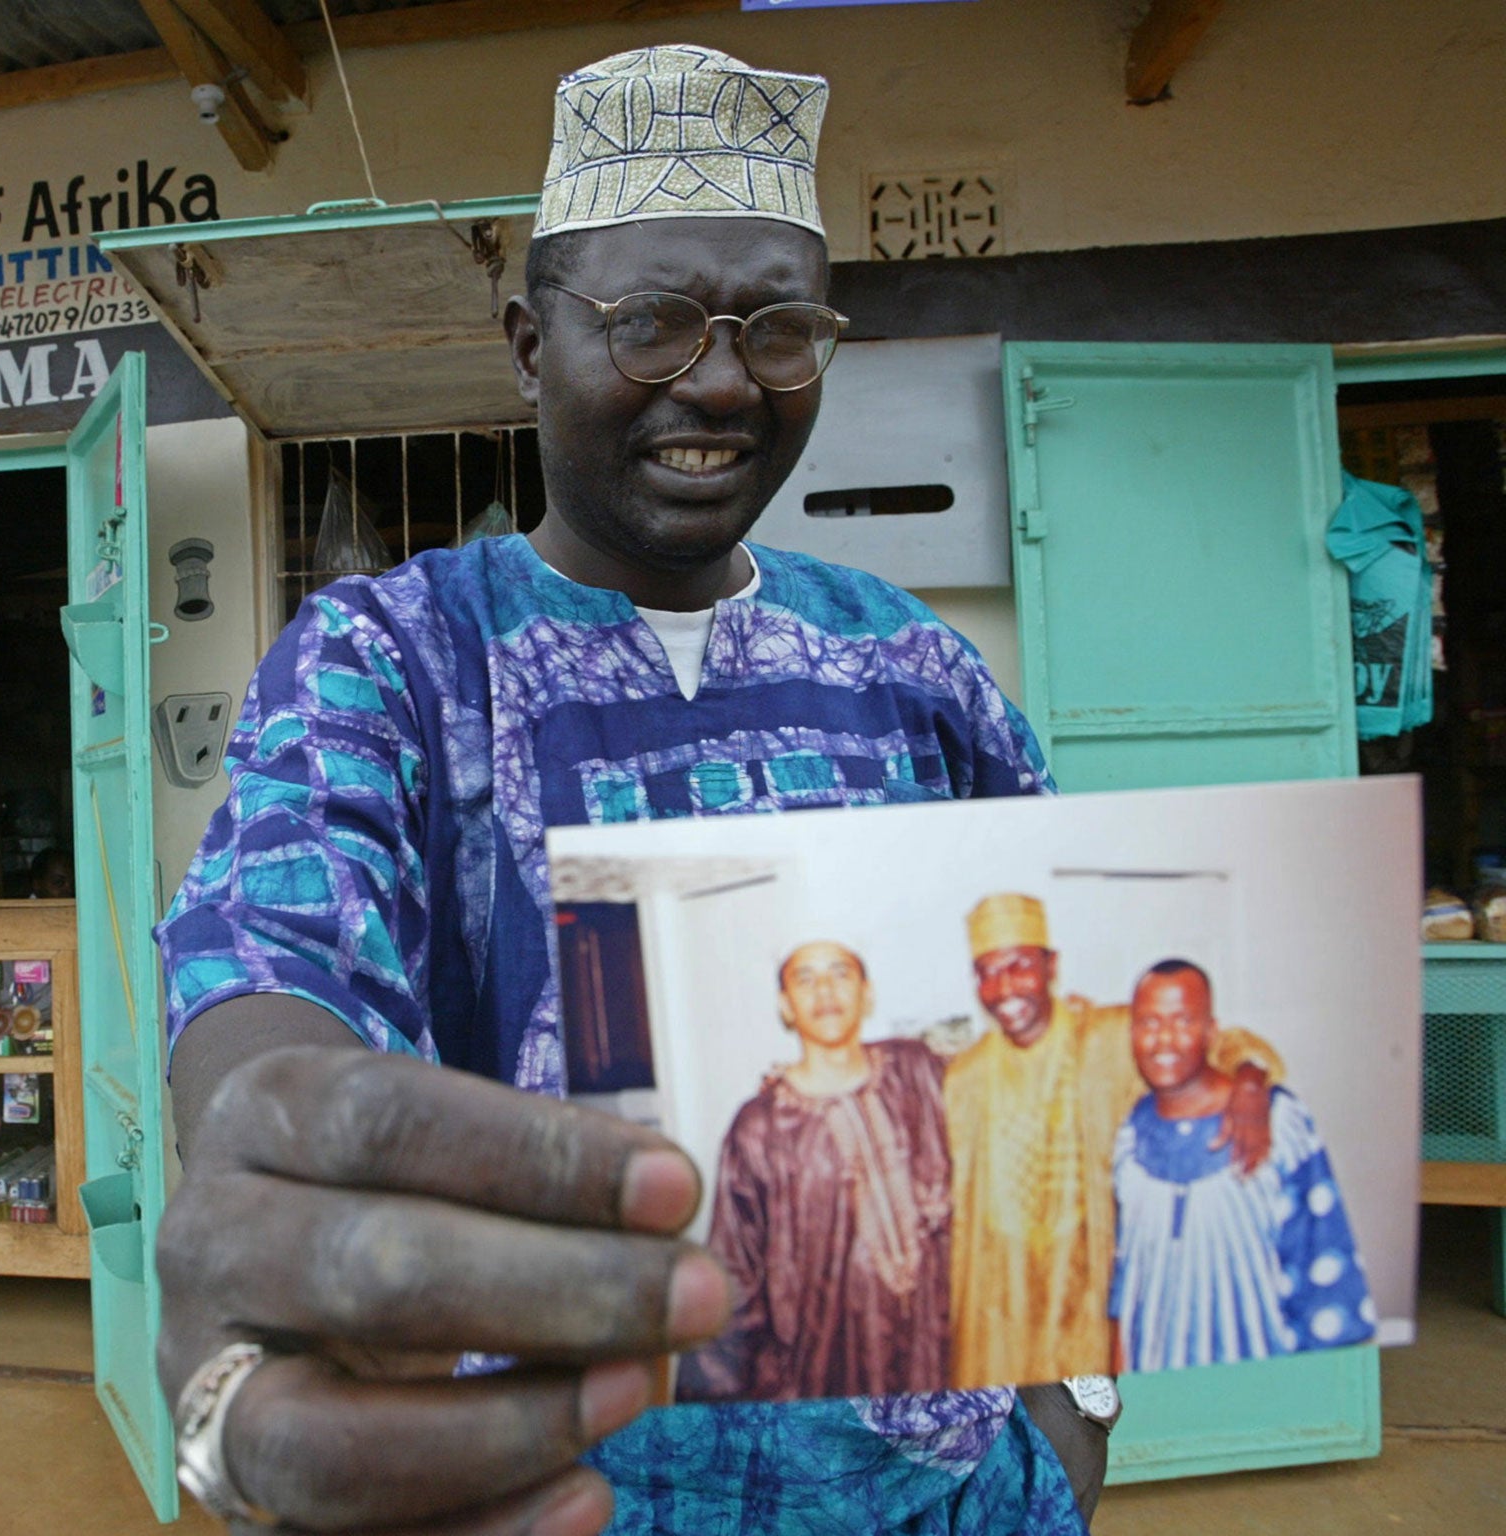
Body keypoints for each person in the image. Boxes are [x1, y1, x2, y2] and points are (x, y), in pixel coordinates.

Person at [154, 45, 1090, 1536]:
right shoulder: (393, 659)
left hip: (946, 1492)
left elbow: (1056, 1018)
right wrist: (268, 1145)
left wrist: (1069, 1413)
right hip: (544, 1492)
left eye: (777, 328)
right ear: (532, 346)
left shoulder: (917, 668)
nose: (719, 380)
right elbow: (278, 953)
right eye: (648, 323)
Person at [945, 893, 1283, 1392]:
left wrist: (1250, 1081)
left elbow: (1225, 1041)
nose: (1004, 988)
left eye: (1019, 966)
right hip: (999, 1303)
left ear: (1051, 966)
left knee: (1089, 1425)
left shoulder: (1107, 1037)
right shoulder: (964, 1077)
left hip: (1088, 1289)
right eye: (987, 972)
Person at [679, 941, 952, 1402]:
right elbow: (734, 1271)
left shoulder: (918, 1076)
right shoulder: (761, 1126)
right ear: (786, 1006)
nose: (825, 990)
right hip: (824, 1372)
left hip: (938, 1356)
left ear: (867, 994)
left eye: (840, 974)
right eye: (805, 979)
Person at [1110, 960, 1376, 1372]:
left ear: (1210, 1031)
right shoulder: (1128, 1136)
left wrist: (1250, 1078)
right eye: (1148, 1023)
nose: (1164, 1039)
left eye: (1182, 1021)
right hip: (1154, 1393)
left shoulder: (1277, 1121)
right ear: (1131, 1033)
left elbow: (1321, 1261)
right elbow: (1126, 1282)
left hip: (1262, 1384)